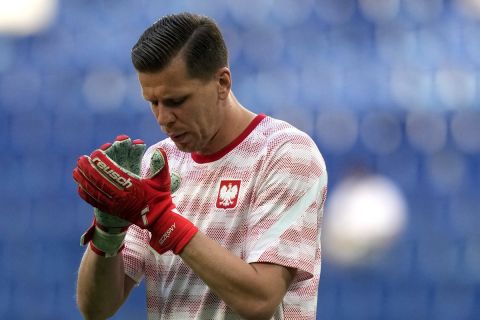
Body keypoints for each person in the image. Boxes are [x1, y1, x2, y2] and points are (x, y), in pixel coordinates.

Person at [73, 12, 328, 320]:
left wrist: (162, 220)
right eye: (153, 103)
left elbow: (261, 300)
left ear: (222, 82)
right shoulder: (156, 163)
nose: (163, 118)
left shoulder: (285, 153)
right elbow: (96, 309)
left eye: (177, 101)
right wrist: (107, 232)